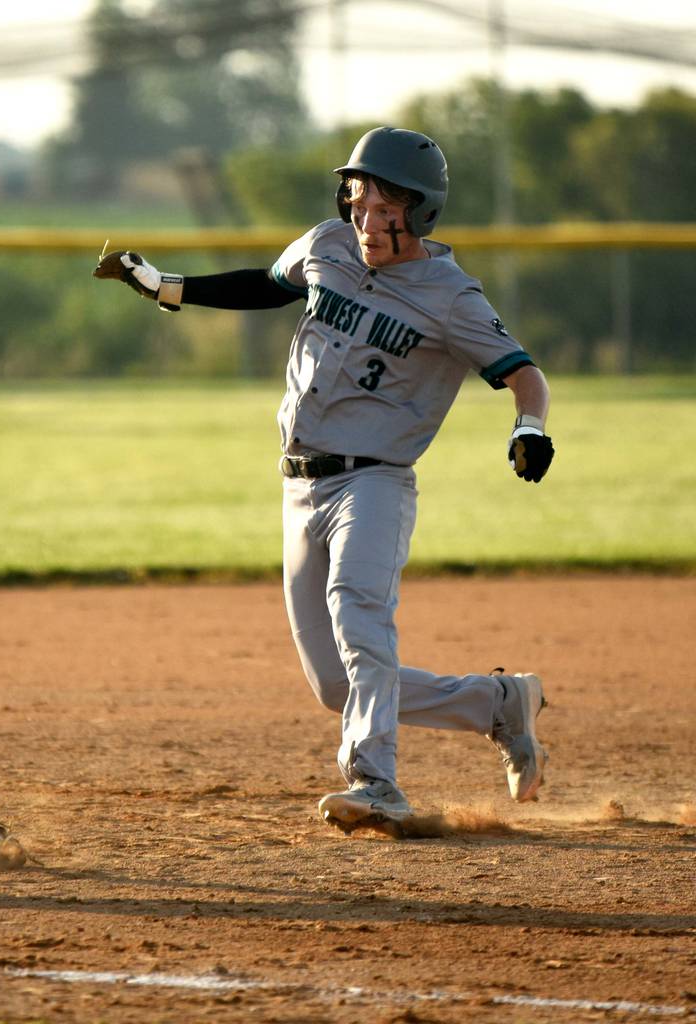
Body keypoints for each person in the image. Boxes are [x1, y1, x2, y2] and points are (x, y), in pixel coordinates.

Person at [94, 127, 555, 836]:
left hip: (374, 482)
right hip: (299, 483)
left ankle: (377, 783)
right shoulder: (327, 247)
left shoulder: (451, 295)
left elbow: (523, 372)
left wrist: (529, 427)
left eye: (386, 206)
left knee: (358, 615)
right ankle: (497, 705)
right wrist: (162, 285)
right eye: (360, 201)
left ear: (422, 211)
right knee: (335, 684)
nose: (368, 219)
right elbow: (267, 286)